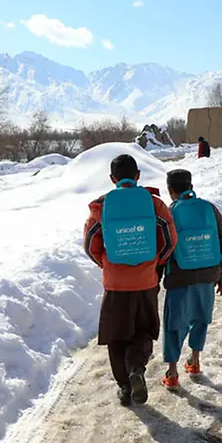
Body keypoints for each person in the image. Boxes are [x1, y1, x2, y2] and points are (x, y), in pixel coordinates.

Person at [84, 154, 177, 406]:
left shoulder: (101, 207)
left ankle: (125, 387)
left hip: (115, 284)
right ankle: (137, 367)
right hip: (146, 281)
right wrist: (155, 263)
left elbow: (91, 244)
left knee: (116, 335)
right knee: (144, 328)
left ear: (113, 179)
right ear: (137, 176)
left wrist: (108, 265)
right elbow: (169, 240)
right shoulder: (154, 204)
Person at [160, 169, 222, 389]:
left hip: (180, 277)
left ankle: (172, 374)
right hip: (208, 275)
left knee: (174, 324)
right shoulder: (209, 209)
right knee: (201, 318)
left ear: (170, 189)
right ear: (190, 185)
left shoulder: (170, 212)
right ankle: (195, 362)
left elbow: (164, 246)